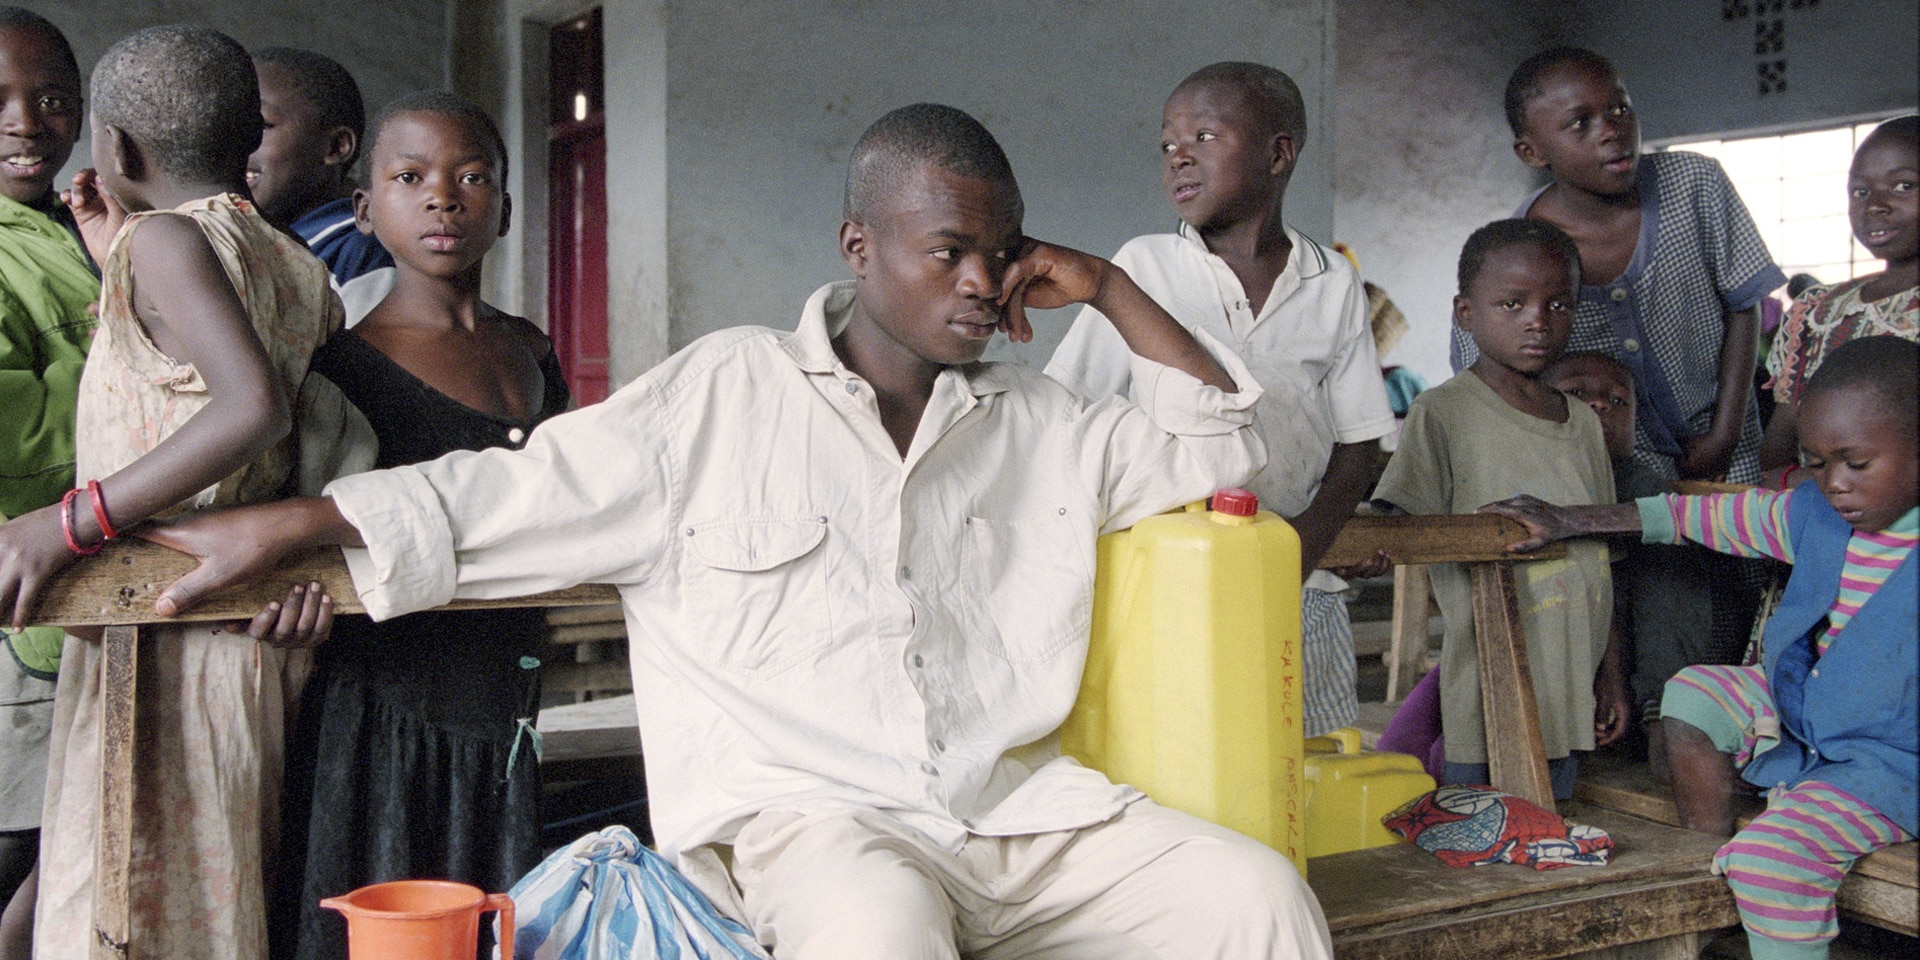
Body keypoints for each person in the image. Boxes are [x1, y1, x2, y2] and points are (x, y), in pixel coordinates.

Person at [138, 102, 1334, 960]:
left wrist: (1118, 291)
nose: (982, 281)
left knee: (1257, 899)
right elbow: (504, 493)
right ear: (859, 250)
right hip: (819, 828)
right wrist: (289, 523)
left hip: (1014, 814)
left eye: (1002, 251)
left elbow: (1242, 452)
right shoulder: (723, 396)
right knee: (881, 936)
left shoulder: (1047, 421)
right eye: (948, 251)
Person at [0, 25, 345, 959]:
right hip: (235, 639)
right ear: (250, 140)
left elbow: (248, 407)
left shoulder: (162, 243)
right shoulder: (295, 263)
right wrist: (126, 253)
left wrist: (71, 521)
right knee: (206, 898)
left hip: (161, 631)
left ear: (116, 150)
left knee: (117, 897)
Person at [1484, 335, 1917, 960]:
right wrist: (1571, 519)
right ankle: (1707, 862)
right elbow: (1697, 519)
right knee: (1693, 692)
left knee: (1773, 863)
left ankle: (1768, 881)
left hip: (1890, 760)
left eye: (1856, 463)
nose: (1835, 485)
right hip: (1815, 712)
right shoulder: (1814, 514)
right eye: (1817, 463)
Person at [269, 92, 570, 960]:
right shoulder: (344, 363)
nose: (445, 198)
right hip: (382, 716)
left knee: (490, 924)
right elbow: (317, 519)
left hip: (505, 705)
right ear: (367, 209)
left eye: (472, 177)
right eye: (411, 178)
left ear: (505, 209)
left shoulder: (532, 350)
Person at [1046, 62, 1394, 737]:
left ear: (1279, 153)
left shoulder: (1332, 284)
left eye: (1204, 136)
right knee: (1181, 750)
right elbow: (1067, 409)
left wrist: (1301, 549)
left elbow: (1361, 443)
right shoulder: (1141, 269)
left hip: (1299, 579)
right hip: (1167, 574)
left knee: (1306, 755)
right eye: (1168, 144)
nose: (1179, 156)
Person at [1372, 219, 1627, 801]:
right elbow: (1402, 525)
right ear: (1466, 314)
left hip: (1570, 688)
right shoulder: (1444, 413)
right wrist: (1374, 551)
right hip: (1487, 681)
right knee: (1478, 826)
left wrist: (1609, 678)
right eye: (1512, 304)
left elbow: (1599, 563)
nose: (1538, 320)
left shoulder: (1584, 424)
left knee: (1545, 827)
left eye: (1557, 304)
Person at [1453, 47, 1786, 487]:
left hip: (1728, 453)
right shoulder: (1514, 256)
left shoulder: (1694, 185)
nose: (1612, 131)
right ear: (1531, 152)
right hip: (1605, 477)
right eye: (1579, 123)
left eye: (1620, 109)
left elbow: (1743, 307)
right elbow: (1490, 378)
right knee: (1644, 556)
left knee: (1740, 548)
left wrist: (1724, 434)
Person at [0, 9, 93, 957]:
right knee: (22, 846)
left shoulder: (74, 226)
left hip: (91, 602)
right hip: (20, 616)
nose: (27, 123)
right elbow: (24, 443)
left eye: (53, 99)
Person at [1542, 352, 1745, 775]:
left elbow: (1667, 611)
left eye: (1618, 401)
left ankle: (1661, 717)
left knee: (1668, 563)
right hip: (1572, 671)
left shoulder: (1646, 491)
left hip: (1649, 667)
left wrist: (1656, 700)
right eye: (1576, 393)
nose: (1599, 405)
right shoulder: (1531, 480)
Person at [1760, 115, 1918, 477]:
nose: (1874, 204)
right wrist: (1799, 486)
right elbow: (1779, 447)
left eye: (1903, 185)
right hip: (1821, 515)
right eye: (1860, 191)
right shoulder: (1818, 310)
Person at [248, 46, 394, 325]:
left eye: (261, 125)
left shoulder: (359, 254)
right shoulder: (245, 240)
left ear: (336, 146)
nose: (237, 141)